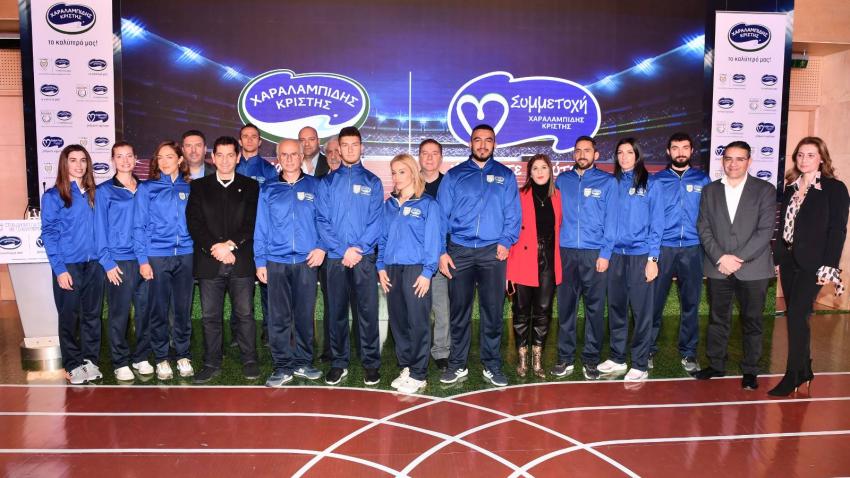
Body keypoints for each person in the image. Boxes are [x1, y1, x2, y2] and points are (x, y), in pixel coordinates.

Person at [437, 124, 521, 387]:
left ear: (494, 144)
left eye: (488, 140)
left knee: (493, 312)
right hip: (459, 251)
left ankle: (492, 364)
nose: (483, 145)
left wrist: (506, 241)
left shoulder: (506, 176)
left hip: (492, 252)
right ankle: (457, 364)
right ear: (470, 143)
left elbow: (513, 214)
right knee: (459, 312)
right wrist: (441, 251)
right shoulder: (454, 176)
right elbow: (440, 218)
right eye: (477, 140)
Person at [770, 137, 849, 396]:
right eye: (800, 155)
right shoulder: (791, 187)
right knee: (797, 315)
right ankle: (804, 369)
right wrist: (778, 257)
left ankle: (793, 374)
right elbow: (784, 226)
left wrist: (829, 266)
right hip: (789, 260)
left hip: (814, 264)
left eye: (811, 155)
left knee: (796, 315)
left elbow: (837, 230)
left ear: (822, 158)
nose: (804, 160)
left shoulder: (834, 188)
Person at [695, 141, 775, 390]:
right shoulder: (710, 190)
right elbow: (703, 227)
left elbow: (765, 231)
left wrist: (735, 259)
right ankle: (716, 364)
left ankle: (750, 370)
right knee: (718, 319)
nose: (733, 163)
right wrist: (721, 258)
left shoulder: (765, 189)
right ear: (722, 161)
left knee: (752, 321)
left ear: (749, 161)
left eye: (740, 159)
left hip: (753, 269)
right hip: (718, 267)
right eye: (729, 158)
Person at [186, 136, 260, 383]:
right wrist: (214, 248)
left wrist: (229, 246)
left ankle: (250, 360)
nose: (225, 160)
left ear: (238, 158)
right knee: (210, 317)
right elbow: (194, 224)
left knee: (245, 314)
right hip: (209, 261)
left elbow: (251, 222)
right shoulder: (199, 187)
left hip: (241, 261)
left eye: (230, 155)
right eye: (220, 155)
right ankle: (211, 362)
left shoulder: (251, 186)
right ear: (213, 157)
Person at [317, 126, 384, 385]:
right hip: (335, 258)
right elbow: (321, 220)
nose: (349, 149)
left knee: (367, 312)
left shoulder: (373, 182)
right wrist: (342, 249)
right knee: (336, 312)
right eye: (344, 145)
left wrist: (357, 249)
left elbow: (377, 221)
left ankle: (371, 363)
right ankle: (339, 362)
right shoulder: (327, 183)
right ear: (338, 149)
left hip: (363, 258)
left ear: (361, 147)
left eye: (354, 144)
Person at [256, 139, 326, 386]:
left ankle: (304, 362)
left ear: (301, 156)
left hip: (307, 262)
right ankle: (282, 366)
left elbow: (324, 221)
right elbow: (261, 227)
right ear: (278, 158)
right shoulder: (268, 189)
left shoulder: (316, 186)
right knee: (279, 317)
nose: (289, 158)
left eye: (293, 154)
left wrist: (322, 247)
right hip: (276, 261)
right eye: (284, 155)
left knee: (304, 315)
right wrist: (260, 261)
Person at [552, 135, 617, 380]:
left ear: (596, 155)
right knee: (566, 308)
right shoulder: (562, 180)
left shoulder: (608, 182)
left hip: (595, 254)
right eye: (578, 150)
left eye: (587, 150)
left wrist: (605, 254)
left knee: (594, 310)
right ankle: (565, 357)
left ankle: (591, 359)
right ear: (573, 154)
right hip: (566, 252)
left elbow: (612, 221)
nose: (582, 155)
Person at [598, 139, 663, 382]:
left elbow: (657, 224)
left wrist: (652, 258)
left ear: (638, 155)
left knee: (641, 312)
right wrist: (605, 253)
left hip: (640, 256)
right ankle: (617, 358)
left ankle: (640, 363)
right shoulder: (611, 183)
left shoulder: (651, 183)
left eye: (629, 152)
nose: (624, 157)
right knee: (616, 309)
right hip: (616, 256)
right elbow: (607, 221)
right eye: (620, 153)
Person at [378, 153, 441, 394]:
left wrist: (427, 272)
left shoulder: (427, 204)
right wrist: (380, 267)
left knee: (418, 323)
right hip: (392, 270)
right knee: (399, 322)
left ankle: (419, 373)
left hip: (417, 270)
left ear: (413, 172)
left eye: (401, 171)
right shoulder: (389, 205)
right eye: (393, 172)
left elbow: (433, 241)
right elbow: (382, 239)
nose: (396, 177)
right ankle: (406, 366)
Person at [42, 144, 105, 384]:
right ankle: (72, 365)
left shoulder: (94, 194)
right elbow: (49, 234)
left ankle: (90, 361)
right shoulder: (53, 196)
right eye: (73, 160)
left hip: (94, 265)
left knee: (92, 316)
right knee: (69, 317)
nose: (79, 165)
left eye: (83, 160)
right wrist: (59, 269)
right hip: (69, 266)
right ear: (64, 163)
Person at [650, 132, 711, 373]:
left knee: (691, 303)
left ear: (692, 151)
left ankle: (689, 352)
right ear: (668, 151)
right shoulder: (657, 180)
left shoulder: (702, 179)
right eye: (675, 148)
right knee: (654, 303)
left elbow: (709, 215)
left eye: (685, 147)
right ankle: (648, 349)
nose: (680, 152)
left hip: (693, 249)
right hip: (664, 248)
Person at [134, 141, 195, 380]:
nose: (164, 161)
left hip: (186, 255)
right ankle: (161, 358)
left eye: (170, 156)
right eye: (160, 157)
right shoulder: (147, 188)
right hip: (157, 255)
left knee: (182, 309)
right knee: (158, 309)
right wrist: (143, 260)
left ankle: (183, 354)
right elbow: (138, 226)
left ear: (180, 159)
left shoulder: (190, 187)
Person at [94, 141, 152, 381]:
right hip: (119, 260)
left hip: (145, 259)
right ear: (113, 160)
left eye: (129, 155)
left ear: (136, 158)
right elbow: (99, 228)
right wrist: (107, 262)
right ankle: (120, 361)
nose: (125, 160)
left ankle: (141, 357)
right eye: (119, 156)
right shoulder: (104, 191)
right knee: (119, 315)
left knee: (144, 311)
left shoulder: (145, 188)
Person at [506, 154, 562, 379]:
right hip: (522, 260)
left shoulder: (557, 196)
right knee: (520, 312)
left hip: (548, 260)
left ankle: (537, 359)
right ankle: (522, 359)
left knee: (543, 312)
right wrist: (509, 271)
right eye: (535, 168)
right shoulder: (519, 196)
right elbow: (510, 232)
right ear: (529, 172)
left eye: (544, 167)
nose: (539, 172)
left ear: (550, 171)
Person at [235, 123, 278, 347]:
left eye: (254, 137)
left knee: (266, 286)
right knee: (239, 287)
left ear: (260, 142)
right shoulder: (231, 166)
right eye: (245, 136)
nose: (250, 140)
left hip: (261, 236)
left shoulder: (269, 170)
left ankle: (269, 331)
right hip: (236, 239)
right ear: (240, 141)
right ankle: (239, 333)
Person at [419, 138, 450, 371]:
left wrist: (443, 251)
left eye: (434, 153)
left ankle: (441, 351)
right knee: (416, 309)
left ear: (441, 157)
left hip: (441, 256)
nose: (429, 158)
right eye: (425, 153)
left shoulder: (449, 184)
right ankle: (416, 349)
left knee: (441, 307)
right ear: (419, 156)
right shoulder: (410, 183)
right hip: (415, 257)